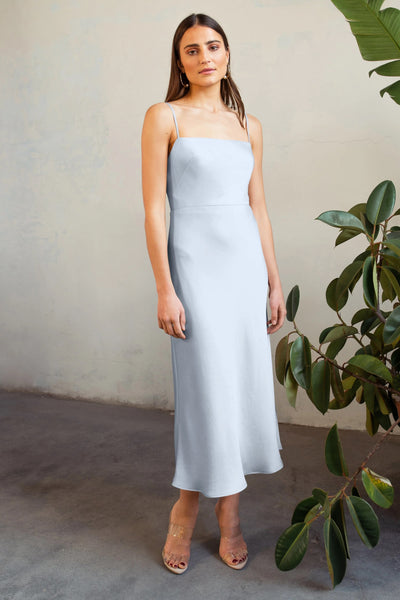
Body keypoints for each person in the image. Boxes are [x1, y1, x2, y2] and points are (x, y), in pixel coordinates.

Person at [141, 13, 286, 575]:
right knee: (206, 392)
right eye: (192, 49)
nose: (205, 56)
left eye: (214, 46)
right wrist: (165, 287)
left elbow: (259, 208)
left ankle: (230, 515)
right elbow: (155, 207)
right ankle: (185, 507)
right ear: (180, 61)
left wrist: (274, 281)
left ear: (227, 54)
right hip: (193, 268)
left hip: (244, 269)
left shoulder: (249, 124)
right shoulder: (164, 116)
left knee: (242, 388)